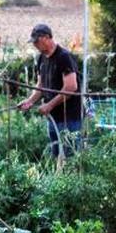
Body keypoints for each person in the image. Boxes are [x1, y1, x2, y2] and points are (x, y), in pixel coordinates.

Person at [18, 23, 82, 160]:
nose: (35, 45)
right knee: (56, 156)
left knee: (70, 157)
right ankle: (59, 179)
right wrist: (29, 102)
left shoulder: (64, 57)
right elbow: (41, 86)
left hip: (69, 117)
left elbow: (71, 87)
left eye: (37, 41)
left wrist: (49, 105)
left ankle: (72, 180)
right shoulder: (41, 58)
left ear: (47, 37)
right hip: (53, 118)